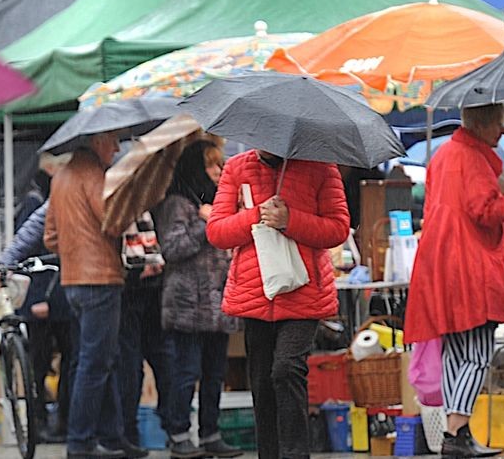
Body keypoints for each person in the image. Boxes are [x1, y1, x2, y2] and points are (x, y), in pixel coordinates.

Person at [404, 103, 504, 458]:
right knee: (477, 354)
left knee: (454, 353)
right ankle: (455, 430)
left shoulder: (444, 154)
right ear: (482, 123)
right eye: (500, 123)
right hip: (469, 265)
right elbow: (487, 211)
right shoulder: (474, 159)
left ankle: (457, 435)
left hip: (439, 262)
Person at [206, 148, 349, 459]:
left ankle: (296, 454)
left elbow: (338, 228)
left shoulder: (322, 167)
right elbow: (217, 231)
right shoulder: (236, 167)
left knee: (286, 369)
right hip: (255, 293)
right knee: (261, 381)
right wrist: (255, 215)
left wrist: (290, 220)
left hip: (304, 291)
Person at [45, 132, 140, 459]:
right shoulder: (93, 174)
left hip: (72, 281)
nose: (116, 149)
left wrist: (74, 250)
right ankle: (81, 443)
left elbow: (50, 237)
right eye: (113, 142)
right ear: (98, 141)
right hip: (99, 278)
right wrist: (129, 205)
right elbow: (113, 222)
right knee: (94, 364)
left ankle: (112, 438)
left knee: (99, 360)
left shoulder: (61, 176)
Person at [154, 140, 241, 459]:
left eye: (220, 165)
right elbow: (172, 249)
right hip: (187, 307)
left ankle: (210, 433)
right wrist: (206, 224)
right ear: (194, 167)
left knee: (215, 374)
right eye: (211, 165)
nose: (218, 172)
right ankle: (178, 433)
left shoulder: (217, 202)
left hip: (217, 306)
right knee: (185, 372)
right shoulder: (177, 203)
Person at [2, 201, 76, 443]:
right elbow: (31, 246)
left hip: (58, 297)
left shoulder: (45, 198)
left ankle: (56, 420)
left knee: (59, 360)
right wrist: (39, 297)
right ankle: (43, 421)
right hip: (46, 298)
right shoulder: (37, 202)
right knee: (44, 361)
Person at [117, 213, 169, 455]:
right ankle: (131, 433)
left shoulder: (139, 201)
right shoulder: (138, 200)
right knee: (131, 365)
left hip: (142, 289)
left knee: (139, 362)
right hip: (130, 289)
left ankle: (136, 432)